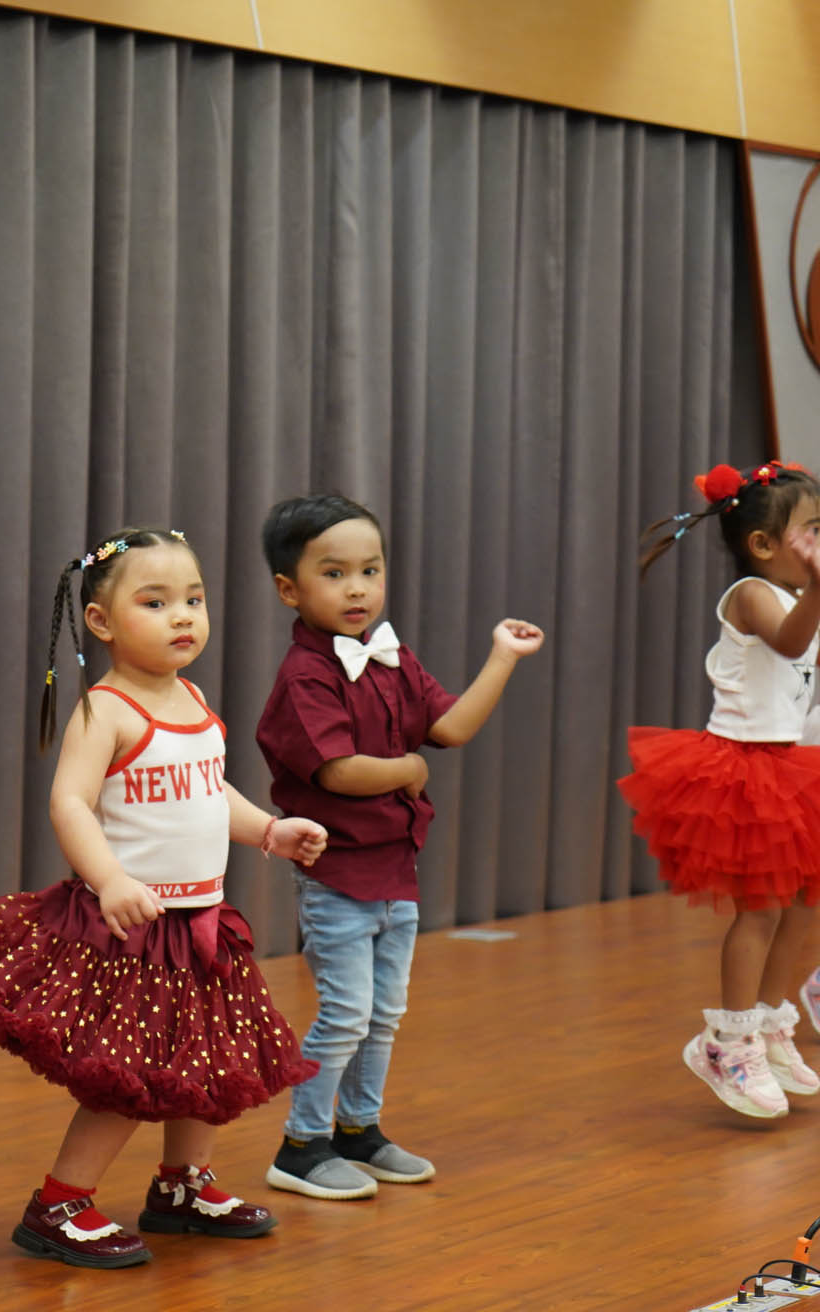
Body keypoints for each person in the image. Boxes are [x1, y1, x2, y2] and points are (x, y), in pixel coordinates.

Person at [0, 527, 325, 1269]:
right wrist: (111, 880)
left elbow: (210, 790)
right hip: (135, 930)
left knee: (203, 1061)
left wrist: (269, 830)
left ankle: (181, 1185)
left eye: (193, 599)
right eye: (155, 602)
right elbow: (70, 803)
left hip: (200, 924)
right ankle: (59, 1203)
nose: (182, 616)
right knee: (127, 1076)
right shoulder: (106, 709)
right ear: (100, 622)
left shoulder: (192, 697)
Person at [256, 494, 541, 1200]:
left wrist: (502, 657)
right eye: (334, 573)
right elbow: (338, 772)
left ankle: (360, 1130)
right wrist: (409, 768)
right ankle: (300, 1146)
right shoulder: (305, 676)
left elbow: (452, 728)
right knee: (345, 1014)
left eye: (370, 570)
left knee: (383, 1016)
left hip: (395, 871)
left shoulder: (392, 658)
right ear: (290, 589)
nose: (357, 588)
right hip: (339, 878)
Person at [622, 459, 820, 1118]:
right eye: (814, 531)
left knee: (804, 905)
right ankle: (725, 1041)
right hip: (742, 770)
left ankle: (769, 1021)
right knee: (760, 908)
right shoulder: (753, 594)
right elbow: (790, 645)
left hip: (792, 767)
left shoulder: (799, 596)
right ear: (763, 544)